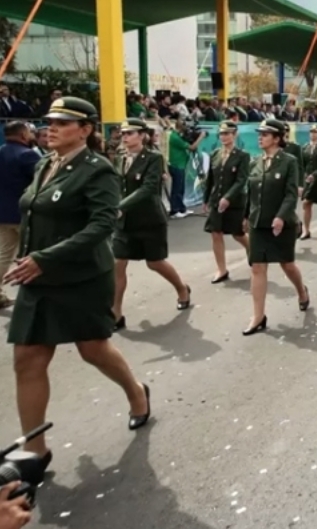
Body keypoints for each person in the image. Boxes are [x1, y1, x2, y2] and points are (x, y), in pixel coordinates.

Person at [3, 96, 151, 462]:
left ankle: (136, 393)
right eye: (49, 121)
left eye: (62, 122)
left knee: (93, 350)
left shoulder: (97, 169)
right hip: (39, 277)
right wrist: (32, 256)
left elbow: (102, 225)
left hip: (80, 277)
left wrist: (45, 257)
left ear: (85, 130)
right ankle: (34, 452)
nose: (49, 127)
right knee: (27, 360)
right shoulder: (45, 165)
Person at [112, 118, 192, 329]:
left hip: (148, 219)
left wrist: (121, 205)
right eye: (123, 133)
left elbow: (148, 188)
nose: (125, 137)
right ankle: (116, 313)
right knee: (117, 264)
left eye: (130, 133)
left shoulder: (154, 158)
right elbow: (117, 185)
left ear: (142, 135)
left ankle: (182, 289)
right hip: (124, 221)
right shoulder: (120, 157)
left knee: (155, 263)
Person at [242, 119, 310, 335]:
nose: (260, 137)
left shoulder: (288, 161)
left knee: (287, 265)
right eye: (259, 133)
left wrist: (281, 217)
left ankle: (301, 291)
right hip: (259, 223)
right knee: (257, 267)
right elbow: (250, 193)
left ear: (278, 138)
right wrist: (245, 216)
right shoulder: (255, 162)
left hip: (282, 223)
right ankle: (258, 316)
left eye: (265, 134)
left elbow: (291, 194)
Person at [0, 122, 41, 310]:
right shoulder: (28, 155)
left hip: (3, 214)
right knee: (32, 254)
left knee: (3, 255)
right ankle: (33, 297)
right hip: (24, 214)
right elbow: (42, 182)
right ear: (23, 134)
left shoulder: (1, 151)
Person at [203, 120, 251, 283]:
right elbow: (210, 179)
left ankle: (253, 251)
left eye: (227, 134)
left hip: (235, 201)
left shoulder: (242, 155)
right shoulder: (215, 154)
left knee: (238, 233)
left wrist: (228, 197)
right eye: (221, 134)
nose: (224, 137)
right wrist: (206, 199)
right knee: (216, 233)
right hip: (217, 200)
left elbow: (241, 180)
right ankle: (221, 269)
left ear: (234, 135)